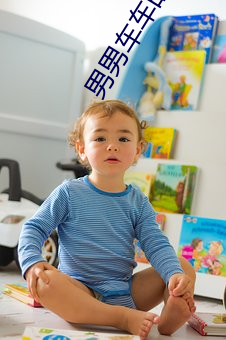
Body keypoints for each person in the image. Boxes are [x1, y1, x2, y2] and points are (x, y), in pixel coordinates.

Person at [18, 99, 196, 339]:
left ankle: (168, 319)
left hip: (127, 291)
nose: (112, 146)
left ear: (138, 149)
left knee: (182, 267)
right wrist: (31, 263)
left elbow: (155, 243)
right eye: (100, 138)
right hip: (80, 292)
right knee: (45, 281)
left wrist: (174, 277)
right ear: (82, 148)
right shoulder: (68, 193)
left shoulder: (138, 201)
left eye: (123, 139)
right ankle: (120, 317)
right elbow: (35, 227)